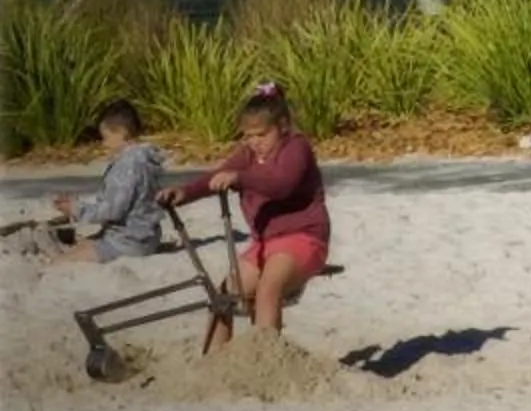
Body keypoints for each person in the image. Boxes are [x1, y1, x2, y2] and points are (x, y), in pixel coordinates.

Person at [159, 84, 326, 345]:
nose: (255, 142)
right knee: (224, 296)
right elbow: (215, 177)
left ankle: (265, 357)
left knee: (268, 288)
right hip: (265, 245)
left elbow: (282, 183)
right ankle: (214, 359)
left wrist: (241, 178)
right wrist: (185, 193)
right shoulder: (248, 156)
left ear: (283, 126)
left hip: (303, 238)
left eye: (262, 135)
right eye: (249, 136)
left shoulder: (296, 148)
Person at [51, 100, 165, 265]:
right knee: (81, 245)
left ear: (121, 132)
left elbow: (113, 211)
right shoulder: (145, 158)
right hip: (147, 235)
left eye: (106, 137)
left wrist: (76, 209)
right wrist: (80, 204)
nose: (104, 144)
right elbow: (119, 199)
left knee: (62, 261)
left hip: (129, 242)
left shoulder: (127, 165)